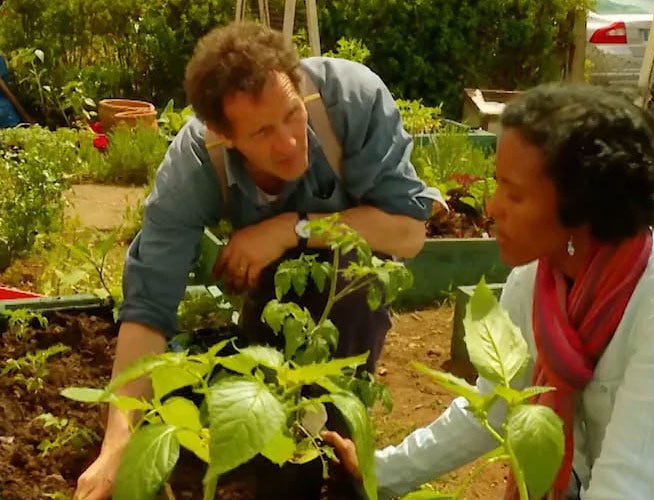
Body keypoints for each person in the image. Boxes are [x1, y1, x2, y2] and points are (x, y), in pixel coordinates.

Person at [322, 84, 654, 500]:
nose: (491, 206)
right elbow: (495, 407)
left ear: (580, 206)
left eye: (514, 194)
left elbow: (632, 478)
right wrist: (382, 473)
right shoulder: (539, 279)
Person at [75, 21, 442, 500]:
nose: (289, 142)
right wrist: (117, 446)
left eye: (291, 114)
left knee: (348, 279)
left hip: (349, 287)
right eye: (262, 132)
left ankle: (329, 461)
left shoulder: (350, 100)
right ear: (223, 135)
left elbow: (409, 233)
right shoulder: (194, 165)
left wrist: (288, 229)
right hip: (270, 289)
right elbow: (149, 306)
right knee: (265, 388)